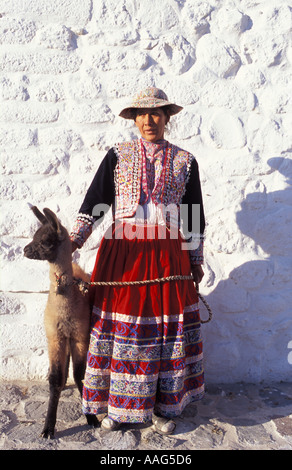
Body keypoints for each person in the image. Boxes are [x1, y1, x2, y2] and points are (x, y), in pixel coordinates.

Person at [70, 87, 205, 435]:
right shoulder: (118, 155)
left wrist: (196, 260)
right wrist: (72, 242)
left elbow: (192, 216)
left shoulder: (185, 161)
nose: (149, 120)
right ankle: (117, 404)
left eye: (157, 113)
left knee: (163, 330)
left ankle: (161, 406)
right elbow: (96, 203)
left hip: (168, 258)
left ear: (167, 118)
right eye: (141, 114)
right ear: (133, 119)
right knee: (122, 328)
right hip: (123, 254)